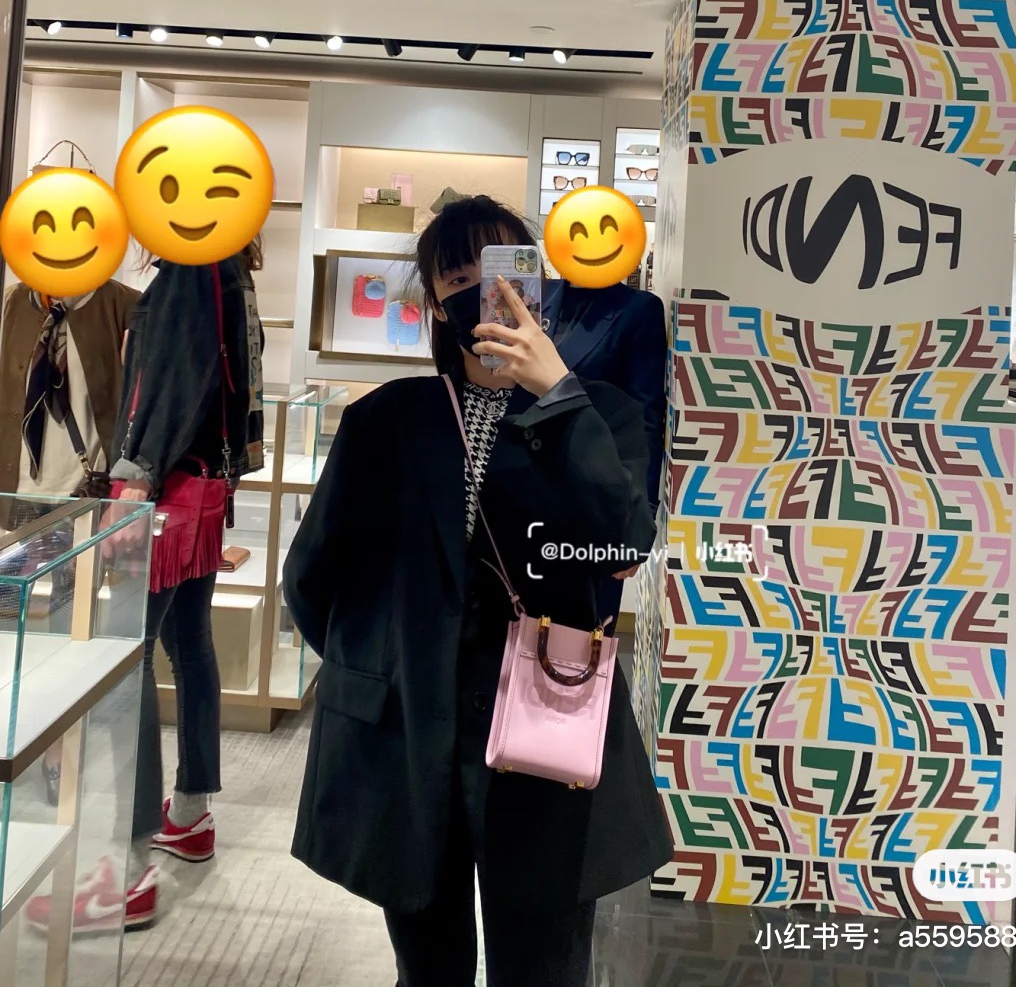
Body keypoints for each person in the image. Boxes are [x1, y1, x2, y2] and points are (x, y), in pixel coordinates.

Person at [284, 195, 672, 987]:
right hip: (409, 729)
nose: (480, 289)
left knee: (544, 965)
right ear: (434, 303)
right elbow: (314, 576)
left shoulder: (599, 415)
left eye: (501, 267)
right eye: (456, 276)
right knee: (427, 965)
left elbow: (624, 540)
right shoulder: (387, 422)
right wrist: (382, 662)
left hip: (545, 727)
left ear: (536, 284)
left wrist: (557, 392)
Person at [28, 243, 266, 936]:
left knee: (123, 662)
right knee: (187, 644)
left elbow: (170, 378)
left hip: (166, 491)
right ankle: (189, 813)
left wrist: (135, 477)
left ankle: (122, 869)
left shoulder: (191, 272)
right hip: (203, 486)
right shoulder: (225, 269)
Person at [0, 274, 138, 804]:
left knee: (66, 629)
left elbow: (134, 407)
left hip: (82, 497)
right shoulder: (15, 302)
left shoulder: (123, 306)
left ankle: (58, 751)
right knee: (6, 623)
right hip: (16, 495)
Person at [542, 269, 667, 628]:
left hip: (595, 506)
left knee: (580, 641)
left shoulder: (637, 310)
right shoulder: (537, 297)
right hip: (517, 498)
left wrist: (638, 518)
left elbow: (644, 421)